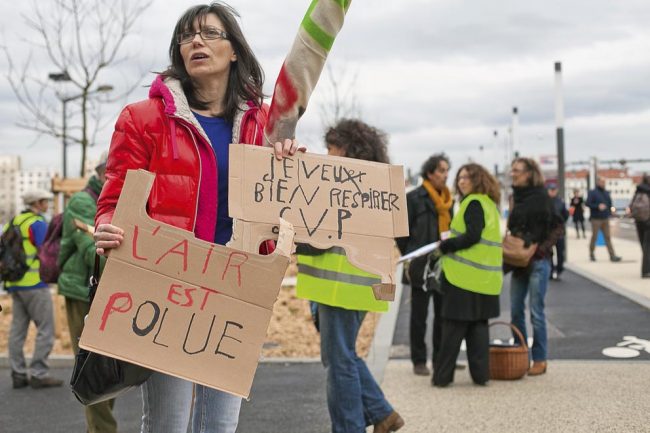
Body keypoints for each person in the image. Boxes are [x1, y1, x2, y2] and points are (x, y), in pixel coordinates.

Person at [93, 3, 302, 433]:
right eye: (187, 35)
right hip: (168, 289)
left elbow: (283, 209)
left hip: (236, 291)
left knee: (219, 427)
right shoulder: (143, 119)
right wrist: (108, 227)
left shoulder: (264, 126)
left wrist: (288, 167)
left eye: (209, 33)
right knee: (168, 424)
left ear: (234, 52)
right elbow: (114, 197)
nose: (196, 41)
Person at [296, 119, 404, 433]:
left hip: (339, 287)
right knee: (342, 356)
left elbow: (321, 238)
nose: (327, 156)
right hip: (351, 287)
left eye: (333, 149)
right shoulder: (372, 188)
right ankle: (382, 414)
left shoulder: (342, 188)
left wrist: (293, 237)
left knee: (339, 362)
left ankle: (350, 427)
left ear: (349, 150)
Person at [58, 152, 116, 433]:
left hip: (105, 292)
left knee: (109, 367)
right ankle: (103, 431)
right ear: (104, 171)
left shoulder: (110, 199)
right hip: (83, 291)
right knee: (92, 367)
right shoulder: (82, 202)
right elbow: (92, 252)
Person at [432, 163, 502, 387]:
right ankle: (481, 376)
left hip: (463, 278)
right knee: (478, 330)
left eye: (467, 178)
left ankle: (442, 378)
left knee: (452, 329)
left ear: (478, 180)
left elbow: (472, 235)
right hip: (485, 280)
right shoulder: (489, 204)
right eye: (460, 177)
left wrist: (446, 245)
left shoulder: (473, 203)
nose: (461, 181)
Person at [396, 154, 451, 377]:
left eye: (447, 170)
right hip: (420, 264)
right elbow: (401, 233)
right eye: (441, 170)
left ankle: (440, 359)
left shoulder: (448, 200)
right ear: (429, 173)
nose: (445, 175)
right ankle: (419, 360)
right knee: (419, 315)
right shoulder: (415, 198)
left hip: (443, 264)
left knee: (443, 314)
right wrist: (411, 254)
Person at [3, 189, 64, 389]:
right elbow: (48, 251)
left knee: (17, 330)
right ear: (37, 203)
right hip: (35, 284)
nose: (47, 204)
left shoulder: (14, 222)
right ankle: (39, 373)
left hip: (15, 284)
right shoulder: (37, 224)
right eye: (45, 201)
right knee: (46, 329)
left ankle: (18, 374)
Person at [507, 157, 555, 376]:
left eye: (517, 170)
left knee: (536, 312)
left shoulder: (542, 197)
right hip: (518, 263)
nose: (512, 173)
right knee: (516, 310)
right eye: (512, 170)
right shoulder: (515, 197)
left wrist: (539, 249)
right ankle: (520, 353)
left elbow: (558, 227)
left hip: (537, 261)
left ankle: (540, 358)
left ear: (529, 173)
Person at [586, 177, 622, 262]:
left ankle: (612, 255)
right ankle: (591, 254)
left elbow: (609, 203)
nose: (603, 184)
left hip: (605, 218)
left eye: (604, 182)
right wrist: (597, 206)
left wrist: (611, 211)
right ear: (598, 182)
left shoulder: (606, 193)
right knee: (594, 237)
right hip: (596, 218)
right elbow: (587, 203)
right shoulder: (592, 192)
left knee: (608, 237)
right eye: (602, 182)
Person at [547, 183, 569, 281]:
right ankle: (551, 271)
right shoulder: (544, 202)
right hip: (548, 231)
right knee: (549, 253)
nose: (552, 191)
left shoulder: (560, 202)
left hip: (559, 230)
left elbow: (565, 215)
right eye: (551, 190)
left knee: (560, 252)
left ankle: (559, 269)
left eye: (554, 190)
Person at [629, 174, 650, 278]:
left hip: (639, 221)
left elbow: (631, 205)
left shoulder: (638, 190)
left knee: (644, 245)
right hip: (648, 221)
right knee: (648, 247)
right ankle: (646, 271)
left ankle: (646, 268)